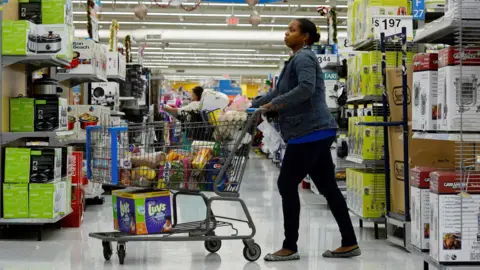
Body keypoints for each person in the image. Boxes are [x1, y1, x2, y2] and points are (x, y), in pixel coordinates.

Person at [252, 18, 360, 261]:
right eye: (287, 29)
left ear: (305, 37)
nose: (286, 33)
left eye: (291, 30)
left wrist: (274, 104)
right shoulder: (295, 60)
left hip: (309, 132)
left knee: (286, 184)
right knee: (329, 188)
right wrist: (254, 105)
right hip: (314, 131)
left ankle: (289, 246)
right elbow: (278, 91)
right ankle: (350, 242)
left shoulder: (304, 57)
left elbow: (306, 88)